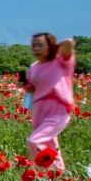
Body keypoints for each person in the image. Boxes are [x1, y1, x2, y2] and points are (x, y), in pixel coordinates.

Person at [25, 31, 76, 171]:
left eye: (40, 45)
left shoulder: (61, 61)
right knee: (49, 143)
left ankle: (42, 172)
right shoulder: (33, 67)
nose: (36, 49)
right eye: (34, 45)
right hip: (39, 109)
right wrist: (26, 87)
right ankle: (58, 173)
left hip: (58, 109)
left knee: (34, 141)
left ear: (50, 46)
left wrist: (56, 47)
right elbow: (32, 89)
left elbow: (68, 44)